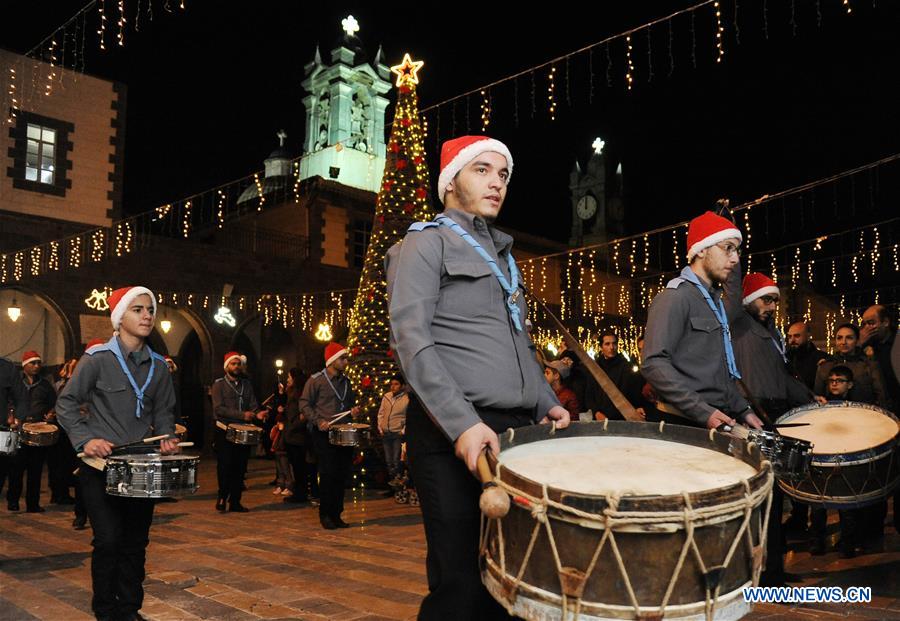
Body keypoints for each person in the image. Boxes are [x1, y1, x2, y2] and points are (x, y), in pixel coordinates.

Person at [386, 134, 570, 620]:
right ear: (451, 182)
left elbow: (521, 343)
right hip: (452, 429)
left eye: (503, 174)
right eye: (482, 170)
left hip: (513, 430)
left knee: (511, 580)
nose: (496, 183)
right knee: (461, 586)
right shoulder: (424, 243)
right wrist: (462, 424)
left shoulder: (506, 258)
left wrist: (543, 398)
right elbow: (412, 341)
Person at [56, 286, 179, 621]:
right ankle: (105, 611)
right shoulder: (96, 360)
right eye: (138, 309)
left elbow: (164, 411)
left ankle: (129, 609)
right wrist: (85, 440)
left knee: (136, 543)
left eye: (150, 310)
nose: (147, 316)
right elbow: (65, 404)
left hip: (142, 467)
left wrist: (165, 437)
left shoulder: (159, 367)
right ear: (119, 317)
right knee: (108, 540)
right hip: (100, 467)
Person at [729, 272, 820, 586]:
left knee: (775, 500)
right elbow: (730, 288)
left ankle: (774, 571)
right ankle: (756, 574)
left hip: (775, 419)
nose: (772, 306)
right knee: (756, 501)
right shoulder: (738, 323)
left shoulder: (774, 334)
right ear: (748, 301)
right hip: (749, 418)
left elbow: (782, 380)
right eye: (766, 299)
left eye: (776, 301)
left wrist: (810, 399)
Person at [642, 210, 762, 430]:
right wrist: (702, 411)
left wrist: (743, 410)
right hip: (682, 424)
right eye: (728, 248)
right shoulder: (674, 297)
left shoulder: (713, 302)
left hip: (714, 419)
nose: (735, 258)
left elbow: (717, 373)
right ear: (702, 249)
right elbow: (654, 364)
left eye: (736, 250)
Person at [299, 342, 361, 530]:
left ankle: (337, 514)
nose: (346, 362)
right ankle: (325, 514)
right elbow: (304, 404)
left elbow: (348, 405)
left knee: (341, 474)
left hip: (342, 432)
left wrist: (353, 411)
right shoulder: (316, 380)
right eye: (343, 358)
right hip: (323, 433)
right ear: (332, 360)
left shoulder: (346, 381)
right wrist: (318, 421)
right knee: (327, 474)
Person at [859, 304, 900, 534]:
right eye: (864, 323)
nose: (867, 328)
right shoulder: (866, 347)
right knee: (880, 472)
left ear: (885, 322)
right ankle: (875, 525)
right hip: (878, 420)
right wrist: (860, 345)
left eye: (871, 322)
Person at [211, 351, 267, 513]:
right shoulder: (219, 385)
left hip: (244, 432)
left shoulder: (246, 384)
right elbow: (219, 409)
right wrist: (243, 415)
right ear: (226, 366)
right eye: (233, 364)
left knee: (240, 467)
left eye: (238, 364)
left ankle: (235, 501)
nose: (236, 367)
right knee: (225, 466)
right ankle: (222, 497)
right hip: (225, 431)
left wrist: (258, 414)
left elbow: (253, 405)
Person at [7, 351, 56, 513]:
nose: (36, 366)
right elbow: (7, 401)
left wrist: (50, 414)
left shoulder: (45, 386)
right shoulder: (14, 383)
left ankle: (32, 504)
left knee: (35, 470)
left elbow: (54, 403)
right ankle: (13, 501)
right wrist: (11, 416)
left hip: (38, 430)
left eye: (38, 363)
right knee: (16, 468)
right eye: (32, 363)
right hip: (17, 430)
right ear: (24, 365)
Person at [813, 323, 890, 409]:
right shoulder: (825, 365)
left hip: (864, 414)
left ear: (857, 341)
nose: (843, 342)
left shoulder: (869, 364)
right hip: (833, 415)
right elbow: (818, 397)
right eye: (839, 338)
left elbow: (882, 396)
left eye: (849, 338)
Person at [283, 368, 313, 504]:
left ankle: (301, 493)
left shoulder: (298, 396)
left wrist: (292, 425)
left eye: (289, 377)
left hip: (296, 437)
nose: (287, 380)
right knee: (297, 466)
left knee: (299, 467)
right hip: (293, 436)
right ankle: (300, 491)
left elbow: (300, 416)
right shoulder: (292, 394)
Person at [377, 375, 409, 486]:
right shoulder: (386, 396)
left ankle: (398, 483)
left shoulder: (406, 399)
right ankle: (393, 484)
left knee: (396, 460)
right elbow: (381, 413)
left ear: (402, 386)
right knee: (388, 461)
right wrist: (380, 427)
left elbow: (409, 417)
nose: (393, 386)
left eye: (396, 384)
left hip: (397, 434)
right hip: (386, 433)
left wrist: (403, 430)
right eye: (392, 384)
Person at [785, 322, 828, 389]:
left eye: (797, 336)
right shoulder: (785, 358)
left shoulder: (821, 358)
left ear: (808, 337)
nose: (792, 340)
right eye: (790, 336)